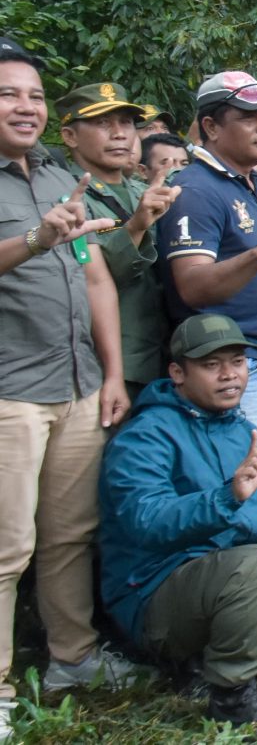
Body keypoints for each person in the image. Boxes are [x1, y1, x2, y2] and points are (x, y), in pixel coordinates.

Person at [100, 314, 257, 737]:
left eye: (237, 362)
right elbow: (145, 520)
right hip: (157, 594)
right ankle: (232, 698)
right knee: (254, 562)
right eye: (211, 365)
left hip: (238, 585)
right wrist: (226, 498)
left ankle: (199, 664)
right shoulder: (146, 434)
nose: (229, 375)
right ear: (178, 373)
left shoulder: (245, 433)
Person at [0, 37, 138, 735]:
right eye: (8, 94)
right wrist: (33, 240)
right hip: (10, 392)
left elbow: (94, 277)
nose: (24, 106)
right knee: (6, 548)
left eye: (33, 94)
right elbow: (42, 247)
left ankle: (72, 657)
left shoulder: (60, 179)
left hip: (79, 385)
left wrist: (111, 373)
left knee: (68, 537)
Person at [157, 71, 257, 478]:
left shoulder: (250, 183)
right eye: (249, 117)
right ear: (211, 127)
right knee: (239, 492)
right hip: (234, 373)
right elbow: (192, 287)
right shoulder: (196, 190)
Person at [56, 82, 181, 402]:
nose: (119, 134)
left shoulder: (143, 190)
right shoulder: (64, 195)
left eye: (126, 122)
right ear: (69, 136)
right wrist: (136, 226)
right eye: (102, 123)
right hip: (109, 365)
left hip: (163, 356)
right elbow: (92, 279)